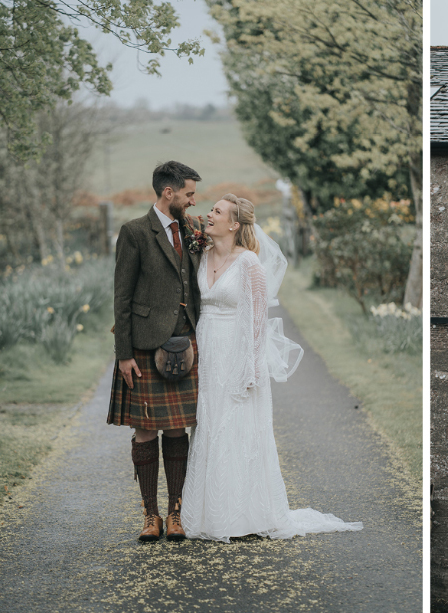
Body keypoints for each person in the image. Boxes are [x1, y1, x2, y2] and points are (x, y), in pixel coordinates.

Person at [180, 194, 362, 541]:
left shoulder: (250, 264)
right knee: (209, 426)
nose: (209, 214)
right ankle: (207, 513)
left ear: (234, 224)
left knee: (237, 429)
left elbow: (258, 320)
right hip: (208, 351)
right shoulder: (201, 257)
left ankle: (242, 516)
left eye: (217, 211)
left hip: (237, 353)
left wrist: (250, 367)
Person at [106, 161, 202, 542]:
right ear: (169, 192)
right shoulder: (134, 232)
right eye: (189, 193)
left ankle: (176, 512)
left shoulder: (194, 230)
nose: (193, 201)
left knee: (177, 428)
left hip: (186, 343)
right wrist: (124, 353)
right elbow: (122, 295)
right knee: (145, 429)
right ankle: (151, 515)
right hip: (145, 344)